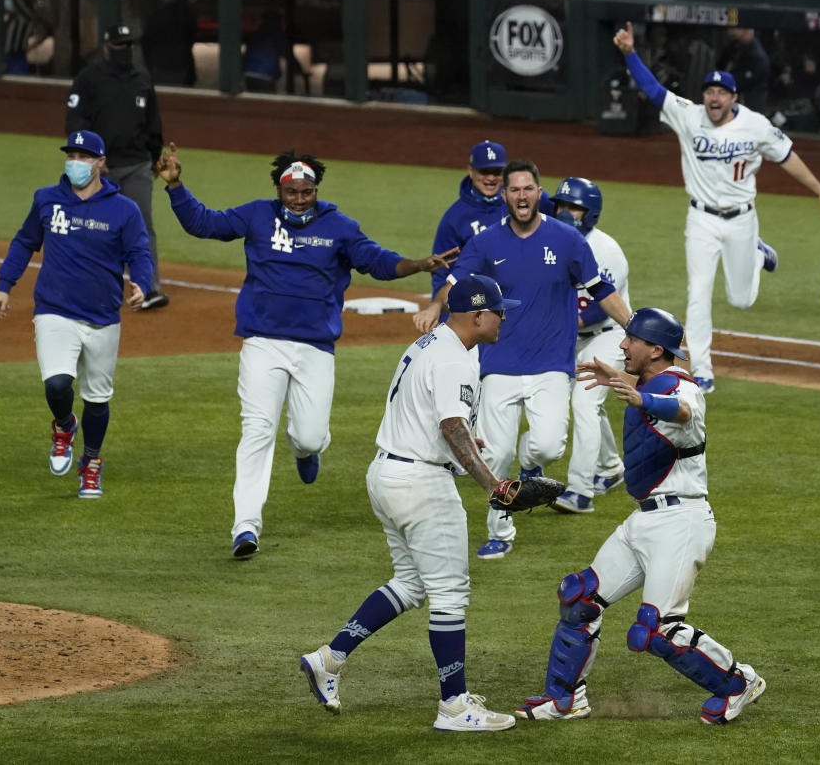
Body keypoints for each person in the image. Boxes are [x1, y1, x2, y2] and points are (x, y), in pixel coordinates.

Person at [154, 144, 457, 558]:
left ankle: (307, 450)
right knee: (257, 430)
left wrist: (418, 265)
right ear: (280, 190)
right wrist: (175, 186)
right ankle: (245, 526)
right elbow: (204, 224)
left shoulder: (340, 226)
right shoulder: (257, 214)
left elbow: (377, 261)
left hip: (315, 347)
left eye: (307, 191)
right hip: (262, 342)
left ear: (317, 190)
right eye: (292, 191)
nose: (299, 199)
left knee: (309, 436)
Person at [514, 307, 765, 725]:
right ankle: (564, 700)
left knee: (654, 630)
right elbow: (656, 395)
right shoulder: (650, 381)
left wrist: (639, 395)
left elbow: (682, 411)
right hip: (644, 520)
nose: (622, 344)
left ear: (655, 349)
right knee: (579, 598)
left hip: (680, 522)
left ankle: (738, 683)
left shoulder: (684, 388)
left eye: (632, 339)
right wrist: (625, 381)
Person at [299, 274, 519, 732]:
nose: (503, 317)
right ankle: (454, 706)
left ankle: (330, 658)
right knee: (449, 594)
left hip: (387, 474)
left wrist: (464, 444)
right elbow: (452, 429)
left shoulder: (431, 343)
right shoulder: (455, 357)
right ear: (478, 315)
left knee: (413, 584)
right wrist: (492, 486)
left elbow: (436, 417)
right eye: (499, 310)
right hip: (420, 484)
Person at [412, 158, 632, 559]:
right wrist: (433, 307)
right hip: (498, 361)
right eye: (513, 190)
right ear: (506, 196)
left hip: (551, 362)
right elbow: (456, 281)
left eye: (528, 188)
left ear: (538, 192)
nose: (521, 196)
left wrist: (633, 329)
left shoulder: (568, 240)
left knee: (548, 446)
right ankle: (500, 531)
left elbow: (602, 289)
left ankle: (531, 467)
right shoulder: (486, 243)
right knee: (495, 454)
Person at [613, 20, 820, 393]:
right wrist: (630, 54)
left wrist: (819, 190)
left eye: (721, 92)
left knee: (741, 299)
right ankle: (702, 370)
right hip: (700, 218)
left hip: (741, 221)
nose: (714, 98)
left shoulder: (755, 125)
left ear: (734, 97)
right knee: (698, 294)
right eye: (709, 92)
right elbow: (653, 90)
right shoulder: (689, 115)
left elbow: (787, 156)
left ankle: (756, 252)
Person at [0, 131, 152, 499]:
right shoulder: (47, 199)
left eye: (84, 156)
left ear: (100, 162)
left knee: (97, 399)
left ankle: (91, 463)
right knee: (56, 384)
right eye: (72, 154)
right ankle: (65, 425)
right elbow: (23, 241)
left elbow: (139, 252)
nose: (76, 162)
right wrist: (4, 284)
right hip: (55, 310)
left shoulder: (123, 209)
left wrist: (143, 284)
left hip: (102, 316)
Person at [66, 23, 168, 310]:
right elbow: (75, 122)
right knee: (89, 224)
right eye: (120, 46)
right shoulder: (89, 79)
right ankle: (84, 287)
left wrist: (153, 157)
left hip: (137, 164)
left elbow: (153, 122)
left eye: (128, 45)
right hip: (98, 169)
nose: (125, 51)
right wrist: (89, 159)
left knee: (142, 226)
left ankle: (147, 289)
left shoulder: (142, 78)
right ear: (107, 47)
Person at [550, 177, 630, 514]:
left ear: (590, 213)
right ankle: (611, 467)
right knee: (571, 400)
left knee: (583, 401)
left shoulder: (605, 248)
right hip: (571, 336)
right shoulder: (549, 241)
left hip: (609, 333)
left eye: (575, 208)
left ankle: (580, 492)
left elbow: (600, 305)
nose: (566, 213)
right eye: (562, 206)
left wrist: (564, 326)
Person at [428, 140, 554, 298]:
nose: (491, 178)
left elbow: (563, 221)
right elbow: (442, 271)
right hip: (479, 302)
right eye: (484, 171)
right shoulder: (455, 218)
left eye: (496, 171)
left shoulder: (529, 198)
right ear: (470, 171)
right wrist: (442, 309)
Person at [141, 0, 198, 87]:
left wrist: (150, 64)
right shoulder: (185, 16)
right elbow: (192, 37)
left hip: (160, 66)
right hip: (181, 65)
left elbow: (146, 43)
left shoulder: (154, 17)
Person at [717, 28, 771, 115]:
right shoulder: (734, 47)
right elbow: (720, 65)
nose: (730, 31)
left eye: (736, 28)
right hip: (731, 103)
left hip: (748, 105)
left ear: (746, 30)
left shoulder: (757, 56)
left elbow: (741, 81)